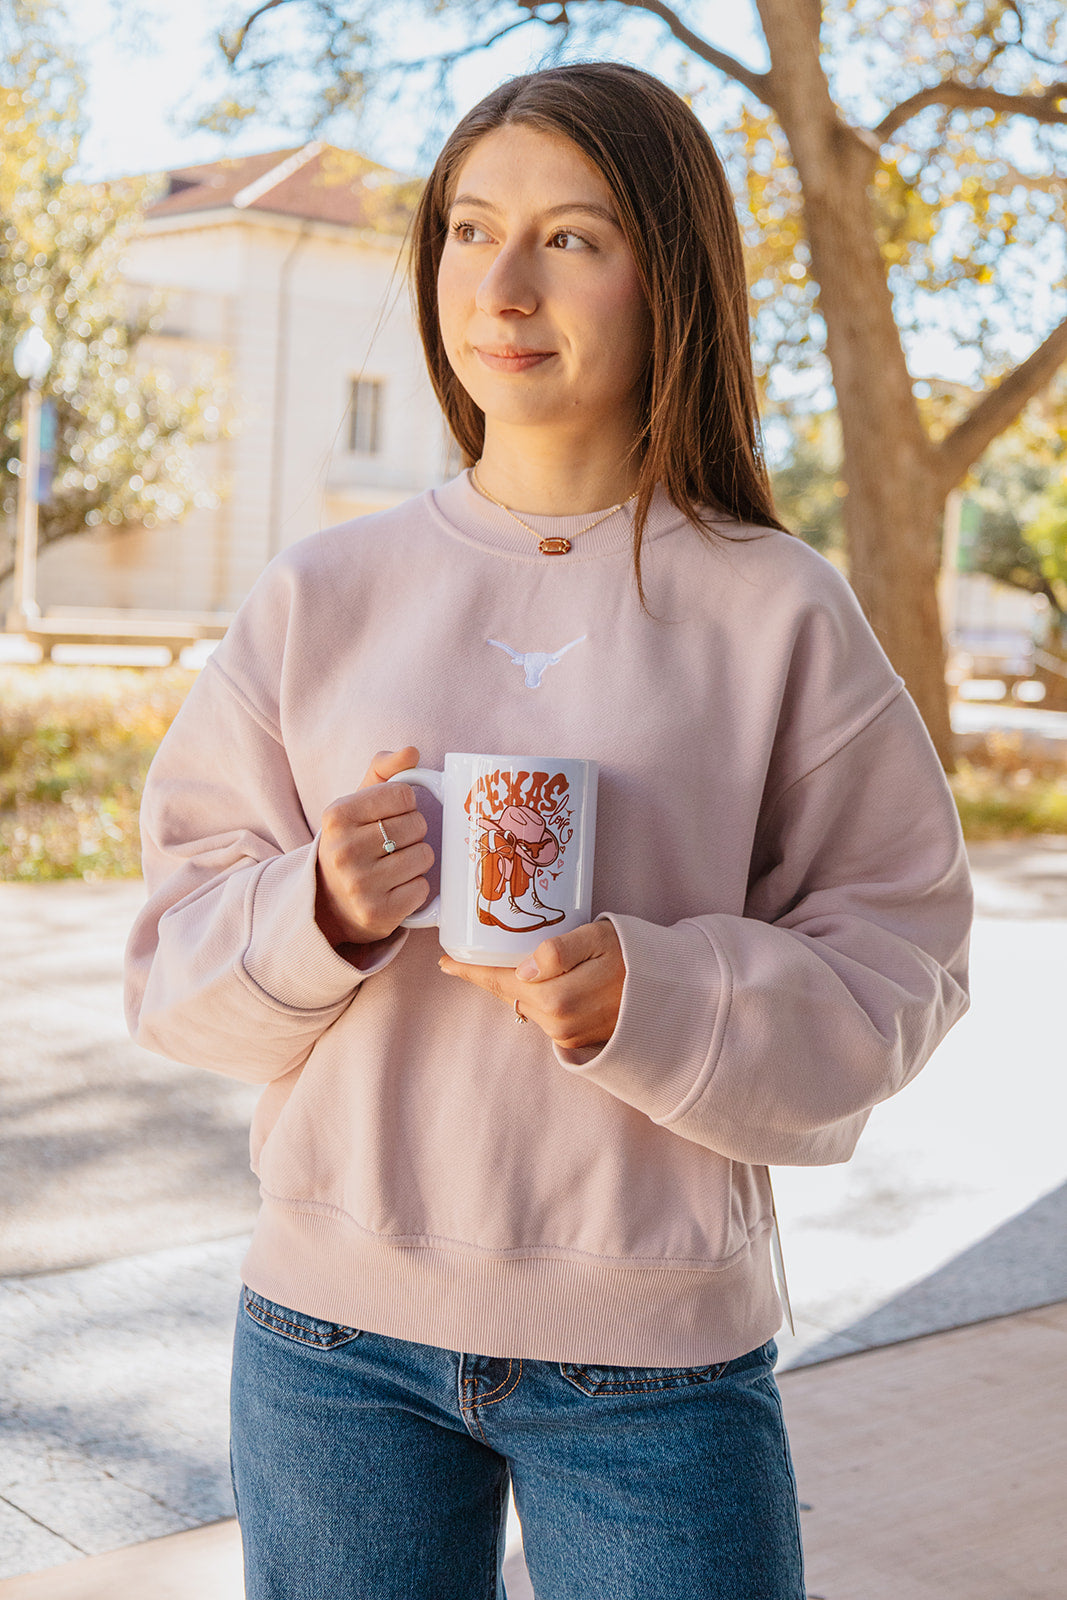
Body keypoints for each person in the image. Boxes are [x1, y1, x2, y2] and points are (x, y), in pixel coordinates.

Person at [124, 60, 972, 1600]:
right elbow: (170, 964)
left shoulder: (778, 609)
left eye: (573, 238)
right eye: (468, 228)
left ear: (673, 276)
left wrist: (653, 995)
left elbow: (903, 959)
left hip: (656, 1359)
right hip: (329, 1352)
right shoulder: (320, 596)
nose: (502, 285)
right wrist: (316, 912)